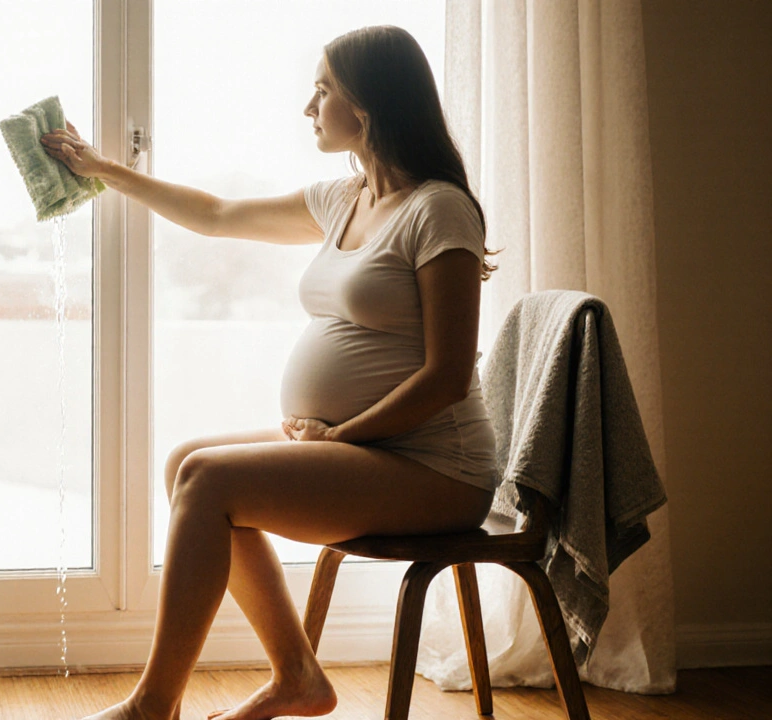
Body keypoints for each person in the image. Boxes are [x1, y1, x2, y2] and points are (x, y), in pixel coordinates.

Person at [41, 24, 498, 720]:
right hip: (370, 450)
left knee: (210, 478)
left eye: (323, 91)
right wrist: (104, 169)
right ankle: (297, 678)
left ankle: (151, 706)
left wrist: (342, 439)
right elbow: (218, 215)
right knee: (188, 461)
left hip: (436, 468)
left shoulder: (438, 209)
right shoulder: (343, 200)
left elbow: (448, 376)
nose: (308, 107)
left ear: (367, 106)